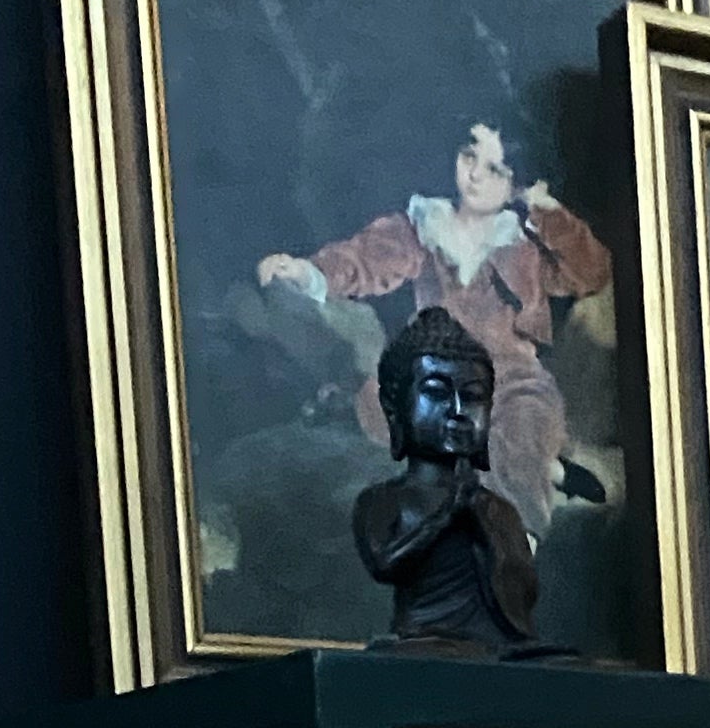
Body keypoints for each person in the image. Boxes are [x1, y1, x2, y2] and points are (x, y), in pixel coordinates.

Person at [258, 122, 607, 537]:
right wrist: (307, 271)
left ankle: (517, 535)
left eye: (494, 169)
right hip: (439, 369)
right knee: (407, 415)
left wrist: (547, 211)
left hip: (512, 374)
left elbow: (590, 274)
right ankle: (538, 467)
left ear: (517, 184)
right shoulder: (425, 226)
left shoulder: (523, 245)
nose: (475, 174)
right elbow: (367, 259)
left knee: (526, 419)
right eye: (469, 156)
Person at [349, 312, 551, 654]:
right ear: (395, 410)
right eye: (437, 393)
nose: (458, 410)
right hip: (426, 638)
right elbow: (385, 563)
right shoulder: (383, 500)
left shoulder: (498, 509)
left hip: (498, 648)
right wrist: (447, 514)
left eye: (472, 396)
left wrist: (485, 524)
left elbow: (522, 592)